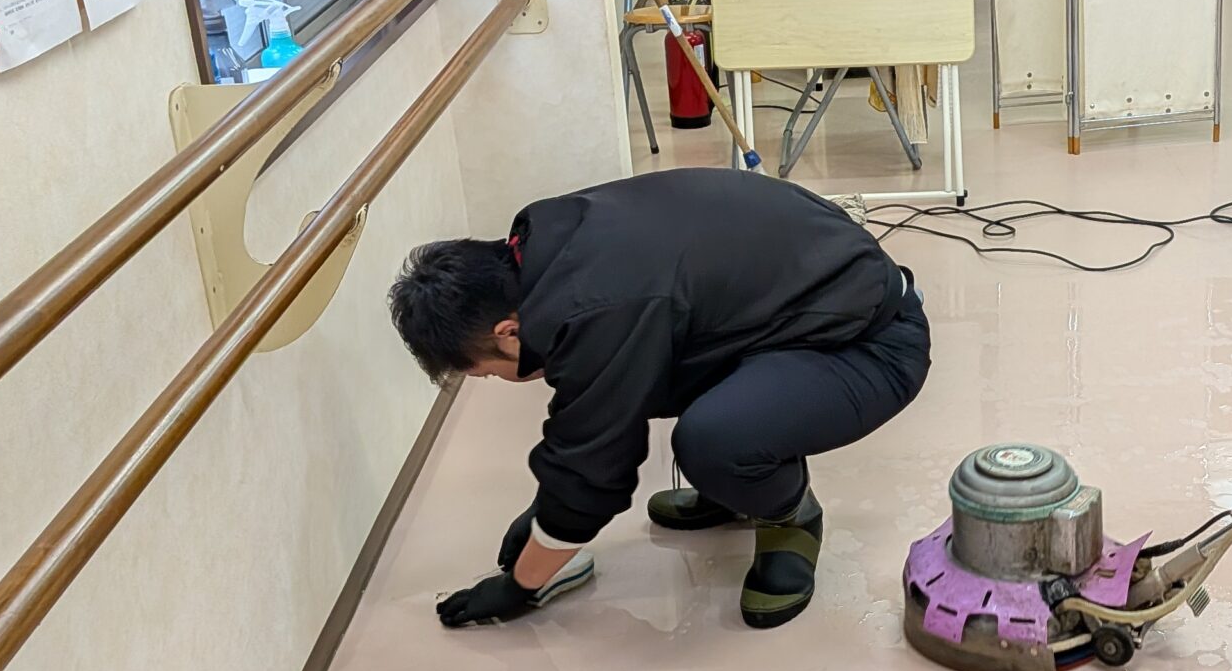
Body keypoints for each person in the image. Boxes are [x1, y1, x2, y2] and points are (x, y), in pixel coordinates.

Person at [389, 167, 932, 633]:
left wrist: (522, 584)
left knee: (712, 442)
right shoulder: (543, 242)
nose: (493, 379)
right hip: (795, 308)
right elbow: (593, 414)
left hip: (872, 343)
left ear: (508, 332)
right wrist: (546, 511)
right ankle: (736, 479)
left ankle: (789, 512)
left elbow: (595, 472)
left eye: (485, 372)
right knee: (634, 375)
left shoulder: (592, 308)